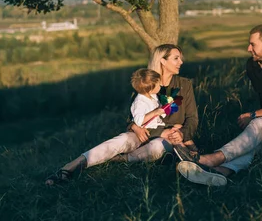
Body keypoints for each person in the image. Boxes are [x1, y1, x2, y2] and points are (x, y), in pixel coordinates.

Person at [177, 24, 262, 186]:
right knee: (251, 145)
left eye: (253, 44)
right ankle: (222, 172)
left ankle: (212, 159)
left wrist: (254, 115)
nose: (248, 48)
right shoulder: (252, 66)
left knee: (258, 125)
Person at [45, 44, 198, 185]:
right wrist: (134, 126)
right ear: (163, 61)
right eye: (176, 58)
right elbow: (133, 117)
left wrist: (182, 134)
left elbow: (192, 118)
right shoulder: (147, 84)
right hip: (144, 133)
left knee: (157, 147)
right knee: (121, 140)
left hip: (170, 137)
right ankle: (70, 167)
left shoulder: (185, 85)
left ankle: (117, 160)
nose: (181, 62)